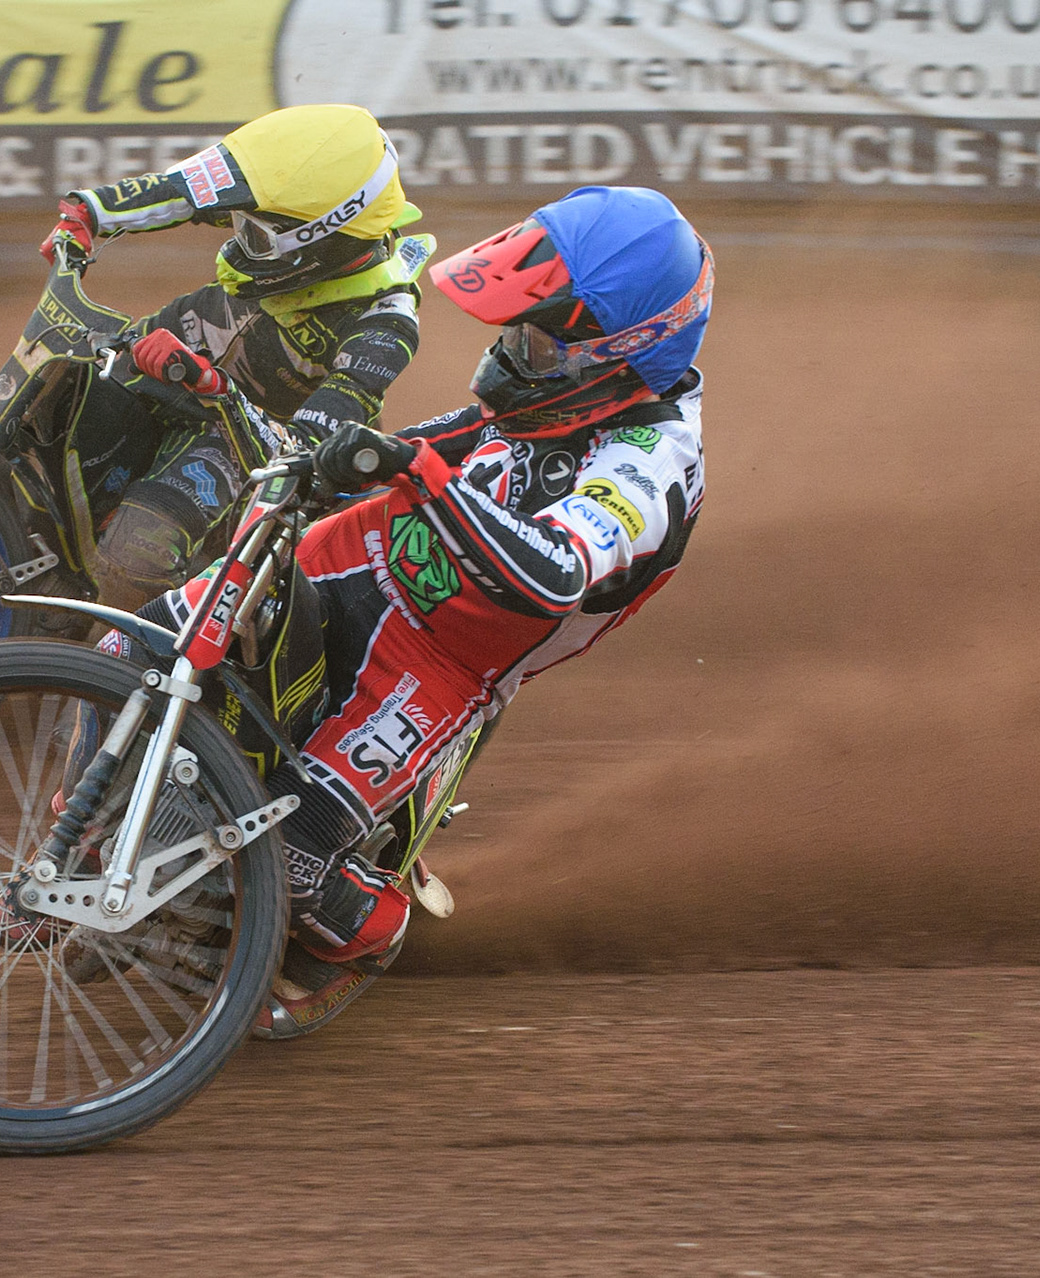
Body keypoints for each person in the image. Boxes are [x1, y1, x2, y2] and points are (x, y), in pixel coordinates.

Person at [101, 186, 712, 1039]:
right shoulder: (553, 396)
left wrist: (415, 469)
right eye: (513, 329)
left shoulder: (651, 461)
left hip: (443, 662)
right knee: (129, 646)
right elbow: (375, 453)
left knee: (294, 857)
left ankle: (365, 938)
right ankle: (107, 840)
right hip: (351, 556)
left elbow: (553, 574)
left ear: (616, 354)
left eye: (534, 340)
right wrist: (225, 399)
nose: (510, 354)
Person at [38, 103, 434, 611]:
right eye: (239, 223)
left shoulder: (385, 324)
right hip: (165, 361)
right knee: (49, 409)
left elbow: (305, 448)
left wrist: (215, 389)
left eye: (254, 236)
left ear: (324, 244)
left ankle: (118, 674)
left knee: (137, 551)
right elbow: (185, 191)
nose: (237, 240)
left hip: (246, 448)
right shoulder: (291, 207)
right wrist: (89, 212)